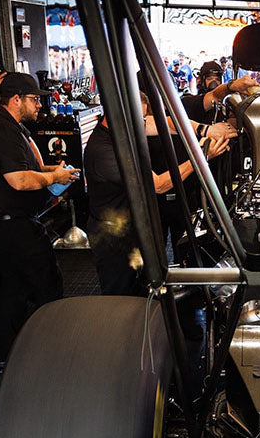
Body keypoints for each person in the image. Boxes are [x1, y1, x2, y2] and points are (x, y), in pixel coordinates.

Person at [0, 73, 78, 362]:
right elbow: (18, 180)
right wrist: (54, 177)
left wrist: (54, 172)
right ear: (16, 99)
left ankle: (3, 354)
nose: (39, 106)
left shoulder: (8, 125)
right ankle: (57, 351)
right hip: (13, 225)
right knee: (47, 285)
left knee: (15, 290)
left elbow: (31, 165)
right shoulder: (3, 130)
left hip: (6, 224)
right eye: (34, 100)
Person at [83, 92, 230, 296]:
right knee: (120, 294)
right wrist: (201, 156)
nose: (143, 123)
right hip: (112, 238)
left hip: (131, 226)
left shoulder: (125, 127)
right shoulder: (105, 151)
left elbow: (167, 124)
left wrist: (206, 129)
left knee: (142, 285)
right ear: (120, 115)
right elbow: (159, 184)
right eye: (140, 118)